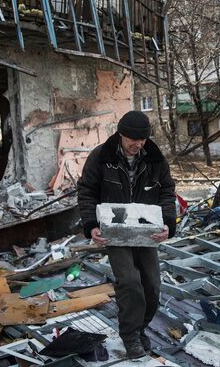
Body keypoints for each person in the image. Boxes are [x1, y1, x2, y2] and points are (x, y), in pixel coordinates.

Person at [77, 111, 176, 359]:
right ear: (121, 134)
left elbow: (167, 192)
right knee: (130, 282)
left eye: (142, 140)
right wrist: (91, 225)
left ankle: (140, 328)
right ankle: (130, 335)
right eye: (132, 139)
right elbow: (87, 191)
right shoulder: (101, 157)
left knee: (152, 285)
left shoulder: (154, 159)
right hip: (115, 232)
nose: (138, 145)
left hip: (146, 231)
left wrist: (168, 224)